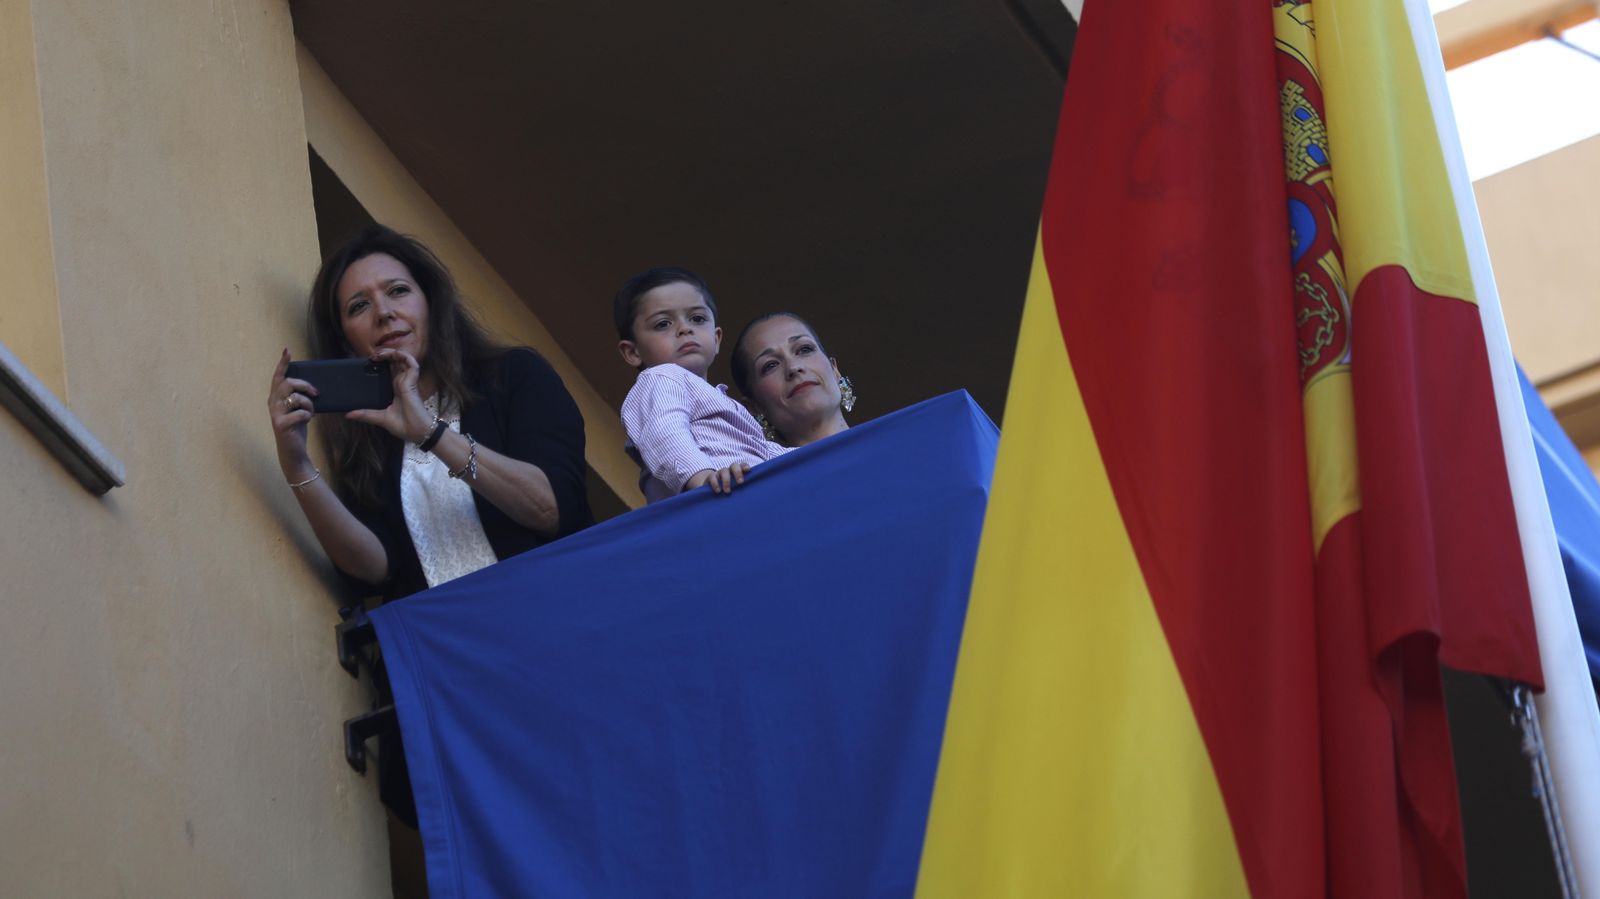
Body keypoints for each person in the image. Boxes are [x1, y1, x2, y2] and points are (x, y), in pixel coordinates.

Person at [266, 223, 592, 826]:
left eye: (397, 292)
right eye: (360, 307)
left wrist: (431, 434)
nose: (384, 313)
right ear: (347, 338)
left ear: (430, 301)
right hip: (451, 695)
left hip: (551, 670)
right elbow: (374, 566)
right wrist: (296, 461)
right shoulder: (367, 436)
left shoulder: (514, 377)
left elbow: (550, 509)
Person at [613, 267, 788, 502]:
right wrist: (702, 477)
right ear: (632, 352)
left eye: (697, 319)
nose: (685, 329)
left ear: (716, 339)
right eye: (663, 324)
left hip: (742, 498)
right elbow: (665, 432)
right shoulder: (661, 378)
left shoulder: (724, 402)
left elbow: (764, 451)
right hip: (711, 498)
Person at [730, 312, 855, 447]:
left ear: (835, 370)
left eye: (804, 349)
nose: (793, 367)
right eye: (771, 365)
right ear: (753, 407)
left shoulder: (881, 441)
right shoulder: (749, 468)